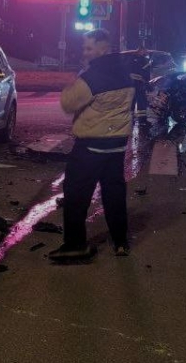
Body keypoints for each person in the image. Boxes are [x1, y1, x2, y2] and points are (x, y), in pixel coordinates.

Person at [50, 29, 135, 261]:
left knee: (76, 194)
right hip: (117, 144)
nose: (84, 52)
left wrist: (73, 81)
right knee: (114, 192)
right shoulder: (124, 72)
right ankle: (120, 241)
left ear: (103, 49)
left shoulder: (92, 77)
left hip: (91, 146)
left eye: (89, 48)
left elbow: (68, 104)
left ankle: (75, 245)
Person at [128, 47, 151, 124]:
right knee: (141, 102)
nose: (146, 53)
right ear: (141, 51)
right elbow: (145, 73)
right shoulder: (143, 60)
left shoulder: (131, 59)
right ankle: (142, 120)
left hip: (131, 84)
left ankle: (130, 119)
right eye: (145, 52)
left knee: (132, 102)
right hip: (139, 85)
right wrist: (147, 84)